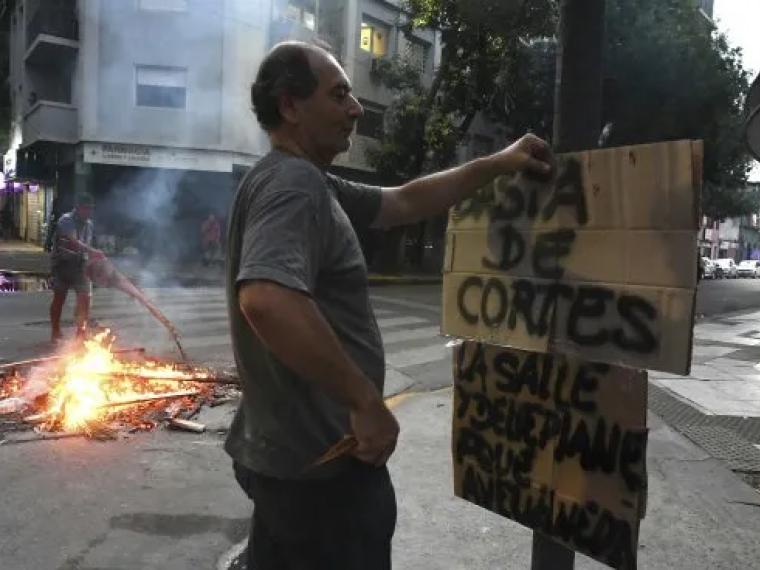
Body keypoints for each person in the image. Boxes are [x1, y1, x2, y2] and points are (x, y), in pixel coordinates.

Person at [225, 41, 553, 570]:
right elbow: (265, 298)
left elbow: (403, 201)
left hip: (293, 462)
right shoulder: (293, 184)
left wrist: (496, 163)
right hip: (321, 473)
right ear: (290, 106)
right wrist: (364, 401)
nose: (355, 108)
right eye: (339, 94)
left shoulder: (301, 180)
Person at [49, 193, 103, 343]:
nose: (88, 212)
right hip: (62, 265)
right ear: (78, 208)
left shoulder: (89, 225)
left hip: (80, 266)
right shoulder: (66, 220)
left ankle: (81, 333)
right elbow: (73, 241)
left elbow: (87, 245)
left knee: (85, 298)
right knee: (59, 298)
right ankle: (55, 330)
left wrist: (94, 261)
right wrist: (92, 251)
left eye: (90, 209)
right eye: (86, 209)